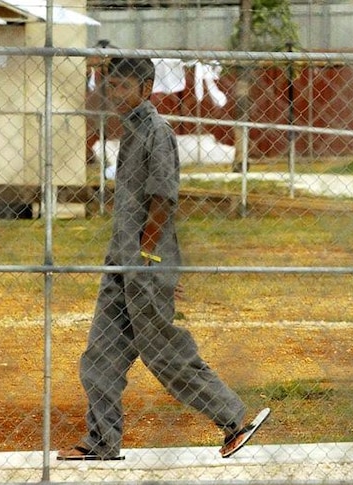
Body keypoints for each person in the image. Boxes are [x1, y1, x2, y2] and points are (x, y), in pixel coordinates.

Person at [58, 57, 269, 460]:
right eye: (111, 85)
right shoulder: (130, 131)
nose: (115, 94)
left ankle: (232, 421)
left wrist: (150, 259)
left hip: (142, 263)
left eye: (123, 86)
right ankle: (102, 441)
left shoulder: (157, 131)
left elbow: (163, 201)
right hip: (120, 263)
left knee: (165, 353)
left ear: (146, 86)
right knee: (99, 357)